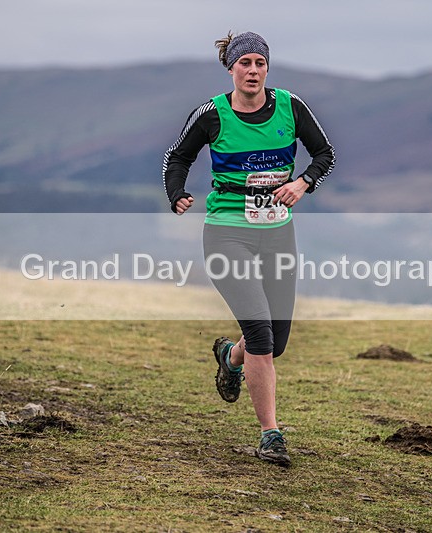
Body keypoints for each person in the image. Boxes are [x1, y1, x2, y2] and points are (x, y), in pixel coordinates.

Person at [162, 31, 335, 467]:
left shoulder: (291, 107)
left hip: (277, 233)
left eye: (260, 62)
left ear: (267, 68)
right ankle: (271, 435)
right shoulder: (212, 114)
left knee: (274, 344)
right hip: (227, 233)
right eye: (245, 63)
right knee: (260, 333)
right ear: (231, 68)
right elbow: (176, 157)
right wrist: (177, 193)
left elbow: (324, 153)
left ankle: (229, 356)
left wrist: (302, 182)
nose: (253, 70)